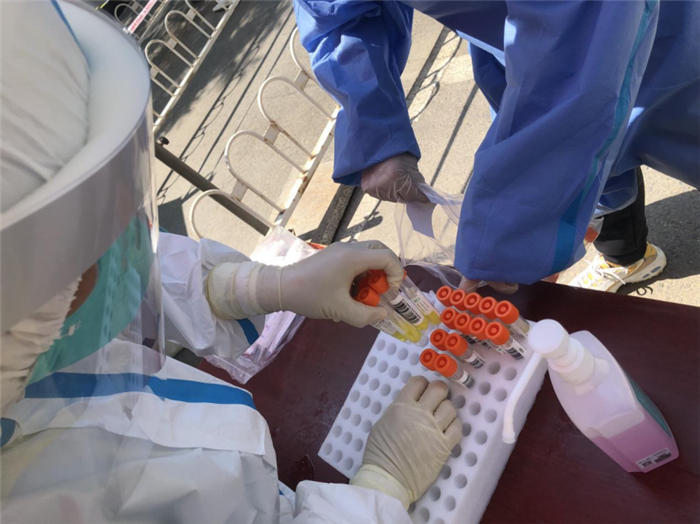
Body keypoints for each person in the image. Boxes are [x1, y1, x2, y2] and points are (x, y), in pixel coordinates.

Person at [0, 2, 461, 521]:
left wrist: (253, 287)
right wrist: (380, 490)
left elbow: (115, 290)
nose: (119, 247)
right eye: (79, 253)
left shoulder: (27, 336)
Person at [293, 1, 699, 293]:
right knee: (589, 178)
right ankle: (628, 257)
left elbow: (582, 44)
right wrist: (374, 127)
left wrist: (505, 236)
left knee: (568, 160)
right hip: (522, 56)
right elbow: (336, 13)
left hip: (665, 46)